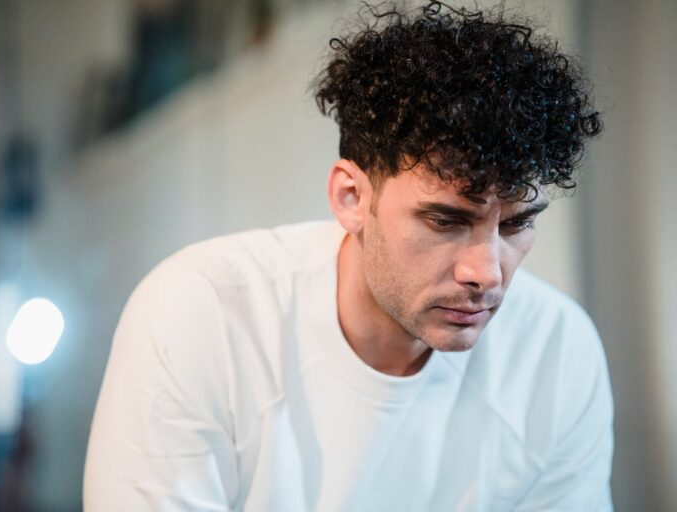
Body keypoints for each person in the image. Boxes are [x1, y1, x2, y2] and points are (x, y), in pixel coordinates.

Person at [84, 2, 613, 510]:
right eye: (445, 221)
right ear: (352, 198)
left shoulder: (556, 351)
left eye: (517, 224)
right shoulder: (202, 314)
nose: (486, 273)